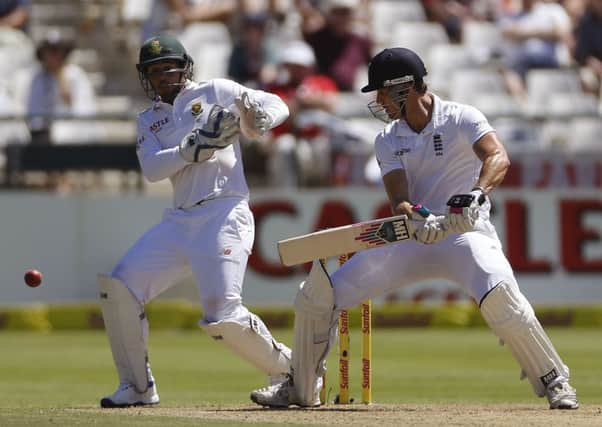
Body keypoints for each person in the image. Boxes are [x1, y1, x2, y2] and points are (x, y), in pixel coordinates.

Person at [249, 47, 579, 410]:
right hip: (413, 236)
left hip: (465, 233)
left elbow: (497, 155)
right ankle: (301, 387)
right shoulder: (388, 138)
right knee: (316, 297)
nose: (378, 101)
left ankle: (555, 381)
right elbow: (399, 200)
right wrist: (417, 217)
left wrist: (475, 196)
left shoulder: (461, 117)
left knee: (503, 298)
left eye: (381, 92)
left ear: (404, 88)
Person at [98, 33, 292, 408]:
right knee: (120, 289)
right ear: (146, 77)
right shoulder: (148, 119)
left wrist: (260, 116)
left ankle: (293, 371)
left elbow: (276, 103)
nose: (164, 78)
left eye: (170, 69)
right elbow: (153, 169)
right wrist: (193, 148)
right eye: (155, 72)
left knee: (223, 315)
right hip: (179, 220)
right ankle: (138, 387)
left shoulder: (215, 91)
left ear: (185, 68)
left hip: (224, 212)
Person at [14, 30, 96, 143]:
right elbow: (30, 115)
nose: (54, 56)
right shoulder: (32, 78)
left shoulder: (76, 76)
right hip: (39, 140)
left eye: (57, 51)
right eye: (50, 51)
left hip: (72, 139)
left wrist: (63, 83)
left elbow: (85, 111)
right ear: (43, 53)